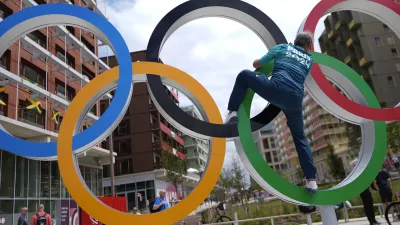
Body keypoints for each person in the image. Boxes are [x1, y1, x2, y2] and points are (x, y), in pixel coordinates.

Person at [225, 31, 317, 194]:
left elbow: (256, 64)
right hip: (295, 100)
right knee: (300, 138)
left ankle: (232, 113)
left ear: (294, 42)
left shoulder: (282, 48)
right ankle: (311, 181)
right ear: (310, 46)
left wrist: (262, 64)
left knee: (244, 75)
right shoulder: (309, 60)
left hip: (275, 89)